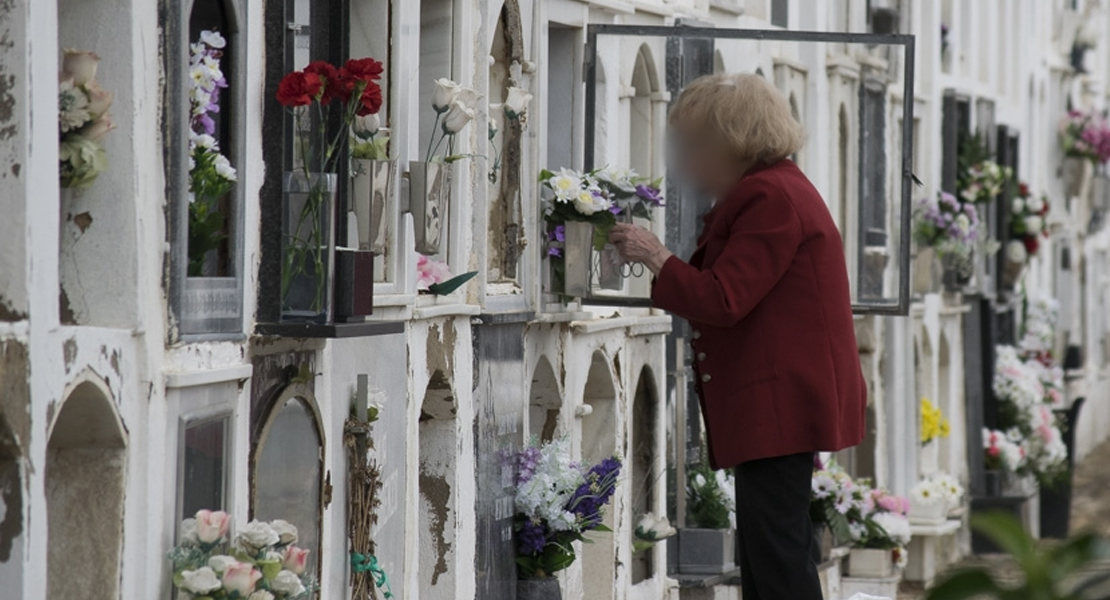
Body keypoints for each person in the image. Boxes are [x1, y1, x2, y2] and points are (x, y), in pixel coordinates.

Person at [609, 73, 867, 600]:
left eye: (694, 145)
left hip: (780, 403)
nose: (688, 162)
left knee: (775, 557)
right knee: (771, 552)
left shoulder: (769, 196)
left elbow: (725, 298)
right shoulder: (770, 188)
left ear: (730, 141)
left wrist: (657, 256)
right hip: (778, 403)